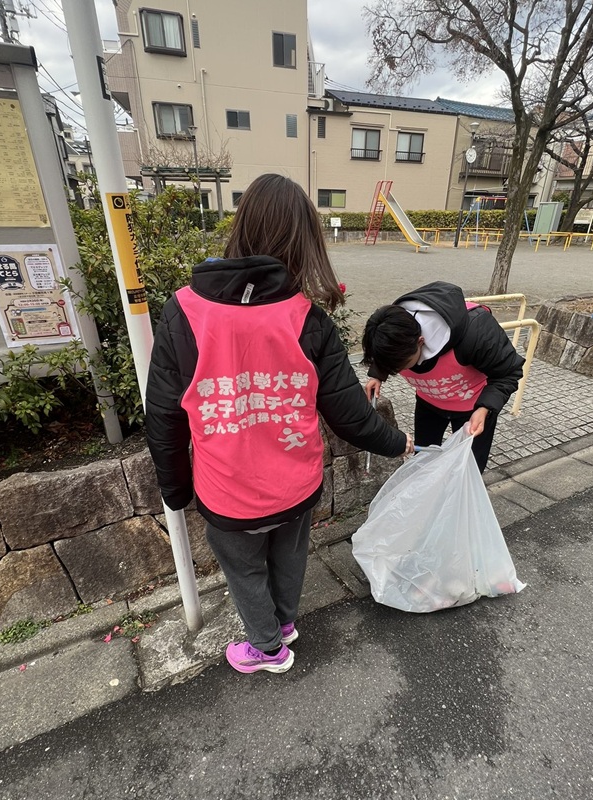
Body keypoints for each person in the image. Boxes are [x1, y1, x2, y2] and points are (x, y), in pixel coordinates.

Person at [145, 174, 413, 676]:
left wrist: (176, 489)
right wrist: (399, 442)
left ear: (241, 226)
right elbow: (350, 413)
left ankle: (267, 649)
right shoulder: (306, 317)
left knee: (245, 570)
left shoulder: (184, 311)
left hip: (227, 490)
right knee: (290, 556)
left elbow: (163, 413)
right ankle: (284, 625)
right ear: (303, 240)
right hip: (296, 482)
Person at [362, 282, 525, 473]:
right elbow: (385, 353)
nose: (398, 372)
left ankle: (460, 502)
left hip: (473, 407)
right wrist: (377, 375)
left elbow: (508, 372)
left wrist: (485, 408)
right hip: (429, 401)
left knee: (467, 467)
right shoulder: (393, 325)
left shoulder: (476, 331)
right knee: (424, 461)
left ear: (420, 342)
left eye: (402, 366)